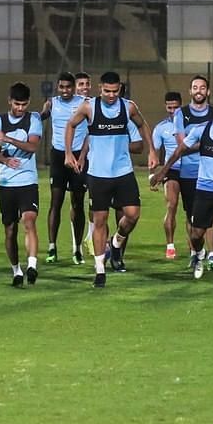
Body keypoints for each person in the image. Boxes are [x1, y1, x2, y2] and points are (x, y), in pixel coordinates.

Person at [64, 71, 157, 288]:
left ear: (120, 89)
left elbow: (143, 125)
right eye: (107, 91)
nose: (111, 95)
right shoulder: (89, 107)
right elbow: (71, 125)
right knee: (100, 221)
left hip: (123, 171)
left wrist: (152, 150)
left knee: (133, 215)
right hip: (98, 174)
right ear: (100, 88)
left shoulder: (128, 107)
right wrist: (69, 153)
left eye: (115, 91)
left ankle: (116, 243)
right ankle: (100, 270)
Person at [152, 94, 213, 286]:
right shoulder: (201, 130)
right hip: (204, 190)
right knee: (196, 234)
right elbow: (179, 150)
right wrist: (162, 172)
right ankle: (198, 254)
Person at [0, 82, 44, 286]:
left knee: (29, 220)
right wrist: (5, 160)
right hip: (5, 183)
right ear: (9, 101)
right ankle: (16, 271)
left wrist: (8, 139)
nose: (20, 108)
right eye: (17, 104)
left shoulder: (34, 119)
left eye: (24, 104)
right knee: (10, 230)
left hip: (27, 181)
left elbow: (32, 147)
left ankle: (31, 266)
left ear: (29, 102)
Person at [41, 72, 90, 265]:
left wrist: (83, 157)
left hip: (78, 156)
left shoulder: (84, 103)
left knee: (77, 203)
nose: (65, 90)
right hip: (58, 156)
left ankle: (77, 249)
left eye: (68, 87)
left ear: (74, 86)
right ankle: (52, 247)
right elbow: (39, 118)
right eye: (61, 87)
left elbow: (90, 132)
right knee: (56, 202)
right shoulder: (52, 103)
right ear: (58, 87)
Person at [174, 75, 213, 269]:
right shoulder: (180, 114)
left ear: (207, 91)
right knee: (191, 215)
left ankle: (212, 254)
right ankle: (194, 252)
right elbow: (182, 145)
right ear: (190, 91)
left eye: (202, 87)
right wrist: (209, 144)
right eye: (195, 87)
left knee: (212, 215)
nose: (198, 91)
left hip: (212, 172)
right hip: (189, 172)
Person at [151, 91, 183, 259]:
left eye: (176, 107)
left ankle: (197, 249)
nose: (172, 111)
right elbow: (154, 153)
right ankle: (170, 245)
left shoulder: (189, 124)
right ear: (166, 107)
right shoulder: (161, 127)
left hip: (192, 170)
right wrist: (152, 174)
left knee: (194, 210)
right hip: (172, 170)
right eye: (169, 107)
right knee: (171, 206)